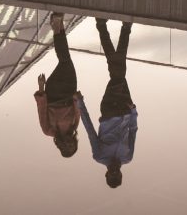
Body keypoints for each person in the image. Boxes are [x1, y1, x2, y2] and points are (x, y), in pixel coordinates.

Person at [75, 19, 137, 188]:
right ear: (121, 173)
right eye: (117, 173)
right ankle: (106, 25)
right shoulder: (128, 156)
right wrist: (134, 112)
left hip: (109, 109)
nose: (115, 169)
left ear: (106, 173)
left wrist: (80, 103)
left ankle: (123, 27)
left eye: (112, 173)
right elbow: (133, 130)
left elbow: (90, 130)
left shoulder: (99, 155)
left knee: (118, 73)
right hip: (126, 108)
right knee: (118, 72)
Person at [34, 12, 79, 158]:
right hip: (69, 90)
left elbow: (42, 110)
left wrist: (41, 88)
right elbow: (77, 108)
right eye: (72, 145)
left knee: (65, 59)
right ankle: (57, 26)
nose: (69, 144)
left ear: (61, 146)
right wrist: (78, 99)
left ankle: (57, 25)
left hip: (53, 92)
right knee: (65, 59)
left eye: (67, 147)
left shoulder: (48, 130)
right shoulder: (74, 126)